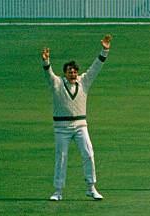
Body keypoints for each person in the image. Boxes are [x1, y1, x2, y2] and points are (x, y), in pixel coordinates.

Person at [41, 34, 112, 202]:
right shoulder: (57, 83)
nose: (73, 74)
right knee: (61, 157)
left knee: (88, 153)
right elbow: (49, 75)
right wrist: (46, 62)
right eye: (69, 72)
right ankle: (58, 191)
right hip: (61, 128)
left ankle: (91, 187)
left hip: (81, 126)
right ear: (65, 73)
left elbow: (95, 68)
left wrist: (105, 50)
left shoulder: (84, 82)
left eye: (74, 71)